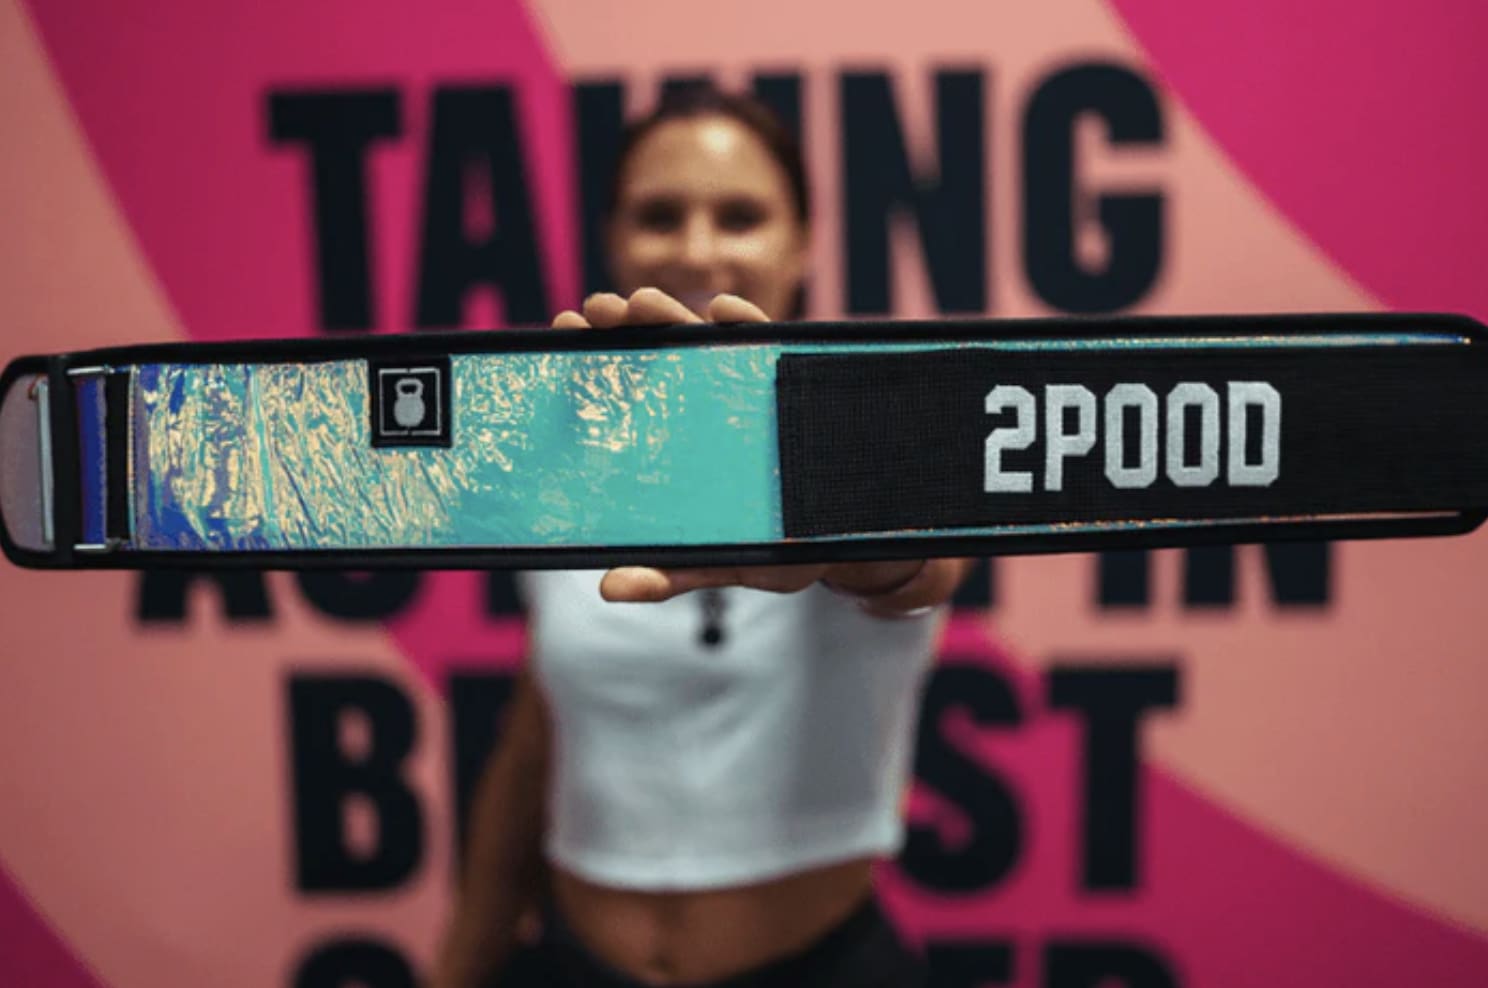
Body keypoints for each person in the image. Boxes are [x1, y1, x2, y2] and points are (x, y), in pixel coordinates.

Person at [431, 85, 973, 988]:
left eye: (741, 216)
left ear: (803, 243)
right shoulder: (564, 464)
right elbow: (538, 739)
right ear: (613, 239)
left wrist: (838, 533)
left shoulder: (877, 434)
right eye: (659, 216)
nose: (695, 249)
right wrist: (458, 966)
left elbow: (921, 573)